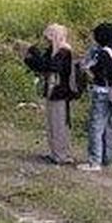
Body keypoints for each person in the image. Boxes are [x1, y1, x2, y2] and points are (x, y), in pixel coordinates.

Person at [24, 23, 77, 164]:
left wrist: (36, 56)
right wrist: (31, 59)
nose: (47, 41)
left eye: (49, 38)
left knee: (59, 123)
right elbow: (42, 66)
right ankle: (55, 153)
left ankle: (61, 155)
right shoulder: (54, 50)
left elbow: (52, 67)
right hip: (52, 90)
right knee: (52, 123)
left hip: (60, 92)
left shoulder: (64, 51)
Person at [79, 22, 112, 171]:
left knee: (96, 126)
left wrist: (87, 64)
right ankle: (109, 161)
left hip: (101, 93)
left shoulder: (103, 53)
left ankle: (94, 161)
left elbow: (92, 70)